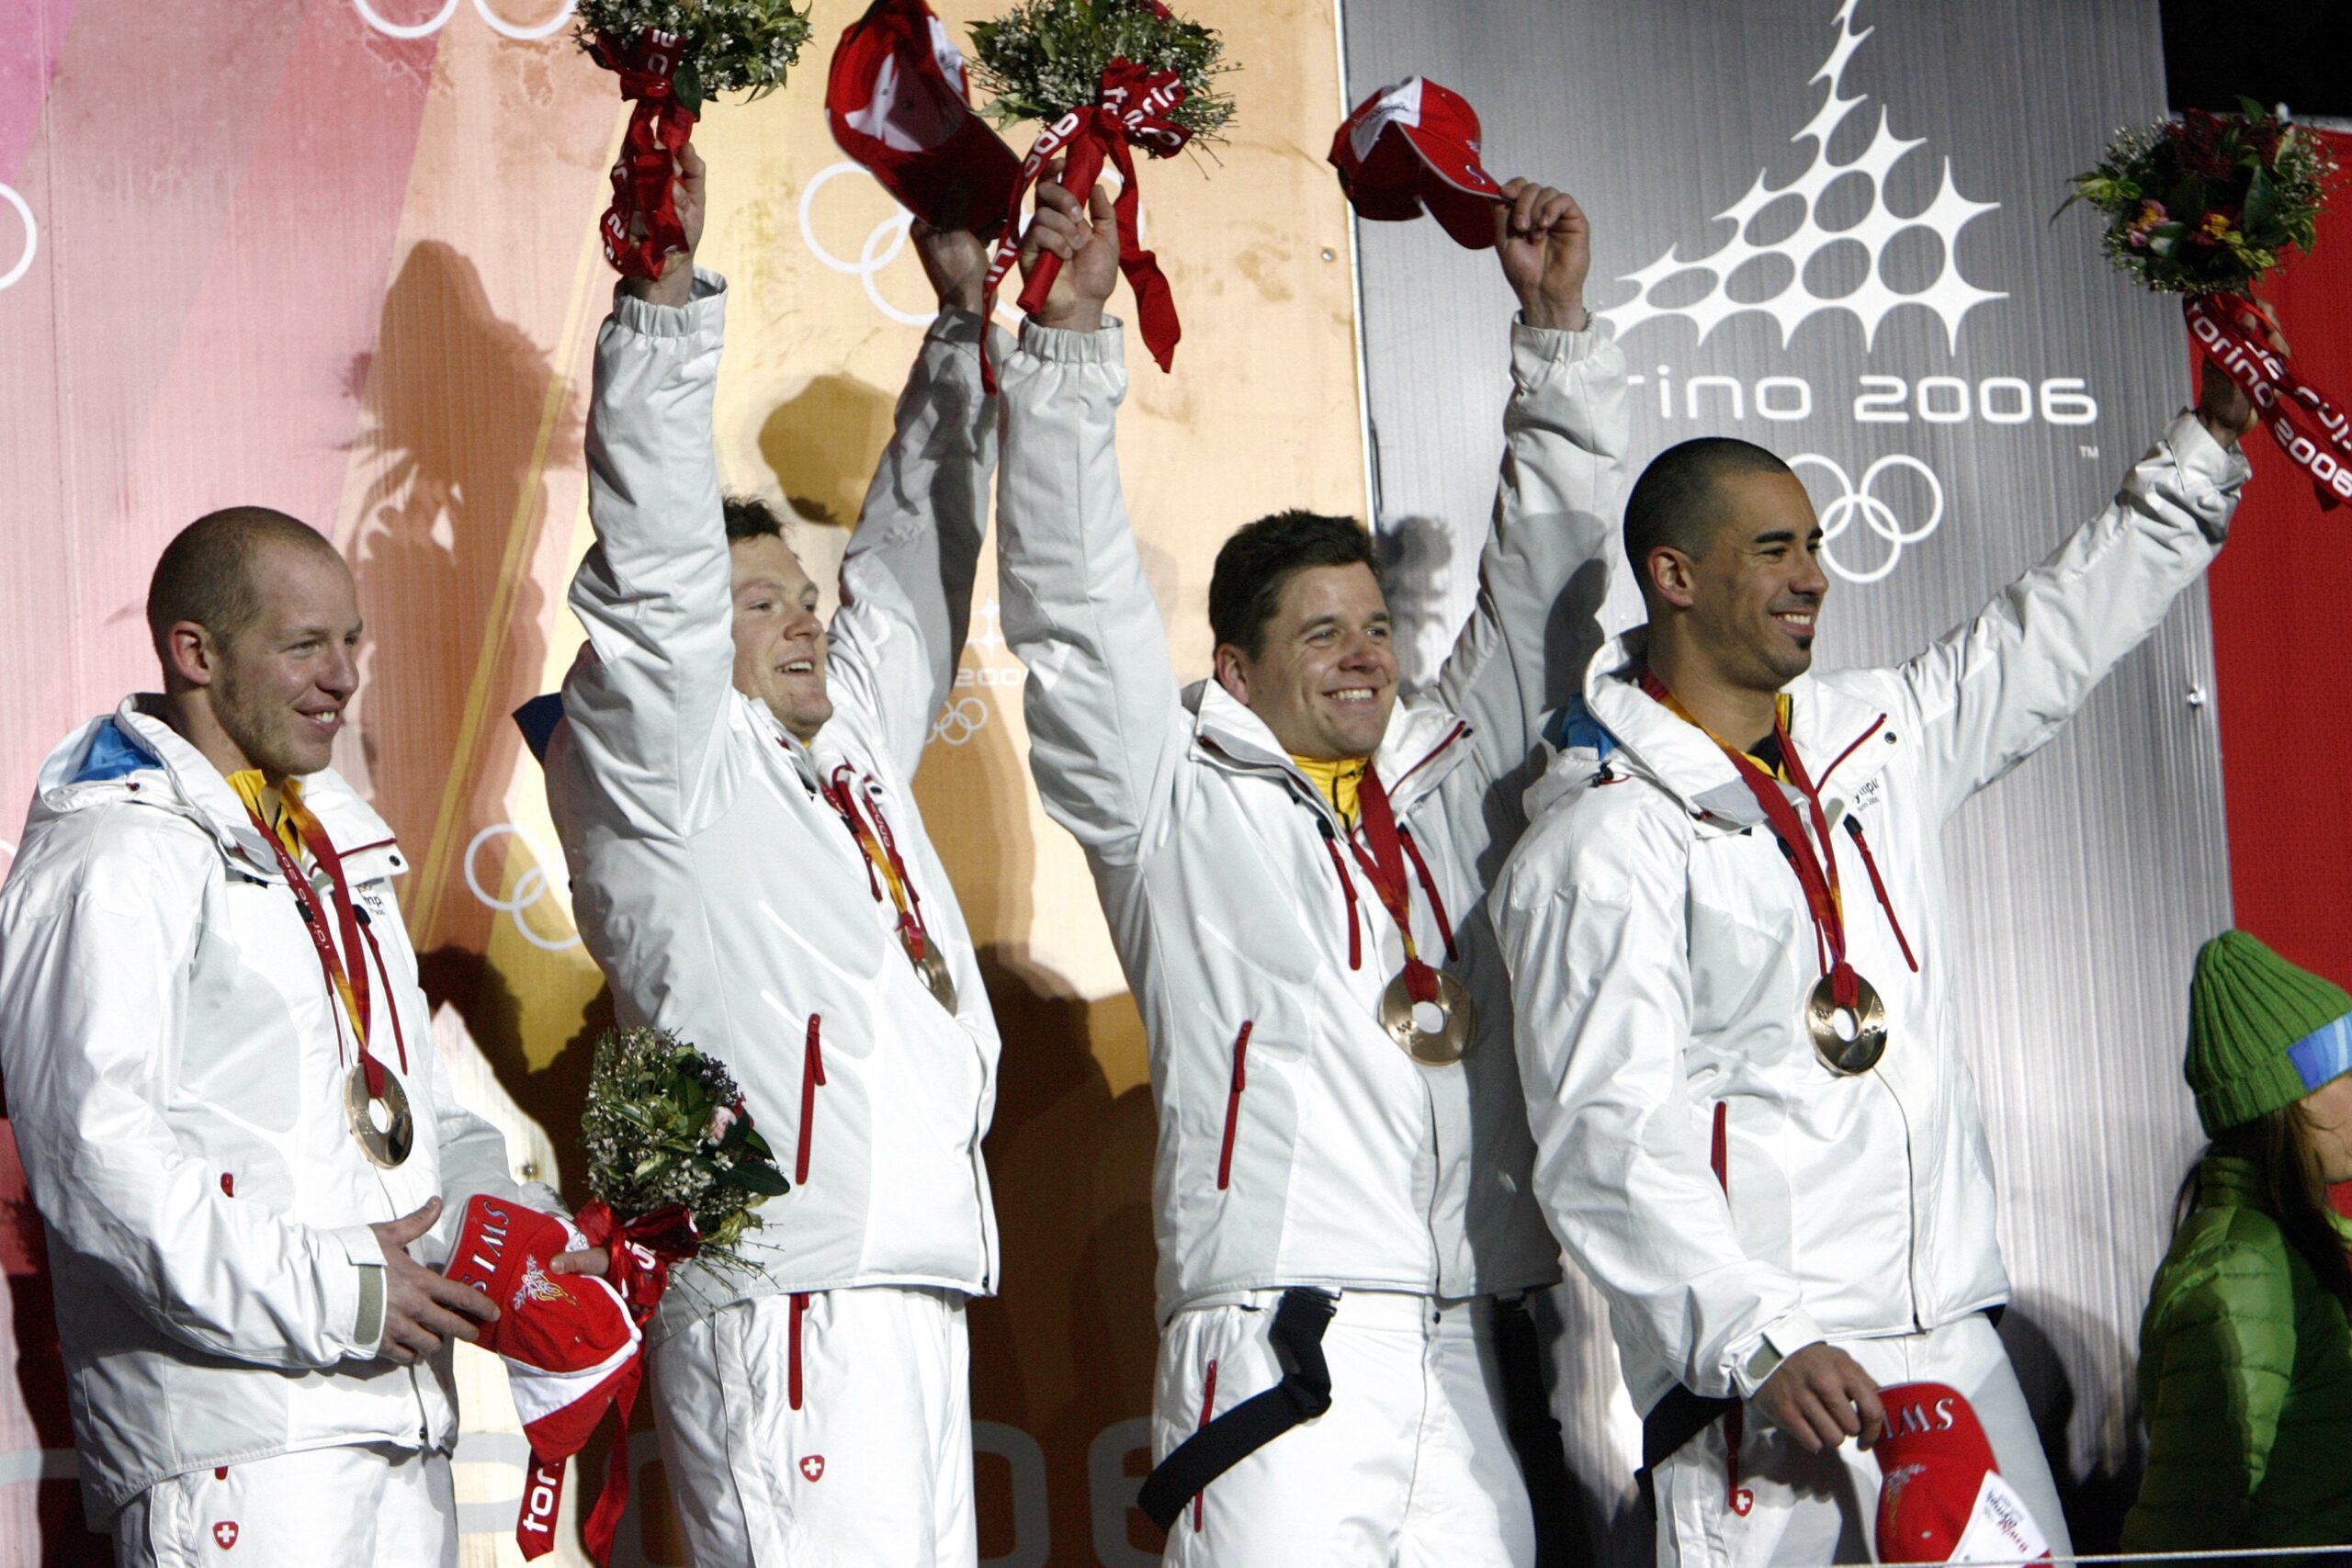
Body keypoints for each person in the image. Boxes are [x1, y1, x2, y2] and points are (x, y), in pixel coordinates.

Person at [1492, 333, 2267, 1565]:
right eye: (1773, 548)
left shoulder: (1874, 741)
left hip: (1953, 1341)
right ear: (1673, 574)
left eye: (1813, 543)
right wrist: (1752, 1338)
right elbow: (1607, 1133)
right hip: (1773, 1373)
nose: (1813, 574)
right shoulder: (1599, 842)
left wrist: (2205, 452)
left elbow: (2046, 636)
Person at [995, 172, 1628, 1565]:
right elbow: (1074, 603)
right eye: (1322, 631)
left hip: (1477, 1338)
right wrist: (1071, 342)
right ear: (1235, 665)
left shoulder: (1456, 772)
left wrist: (1559, 334)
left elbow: (1546, 583)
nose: (1366, 653)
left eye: (1376, 626)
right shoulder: (1169, 800)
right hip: (1280, 1337)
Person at [535, 142, 1007, 1566]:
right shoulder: (661, 767)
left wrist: (966, 326)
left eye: (806, 597)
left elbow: (917, 558)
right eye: (761, 603)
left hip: (910, 1268)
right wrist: (665, 321)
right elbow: (656, 573)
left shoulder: (846, 748)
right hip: (784, 1293)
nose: (806, 622)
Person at [0, 507, 573, 1565]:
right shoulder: (111, 857)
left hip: (398, 1421)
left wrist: (521, 1240)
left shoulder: (334, 847)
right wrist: (343, 1293)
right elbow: (94, 1158)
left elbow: (417, 1119)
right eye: (305, 644)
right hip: (240, 1448)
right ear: (196, 653)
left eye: (352, 639)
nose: (344, 676)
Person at [2122, 930, 2352, 1562]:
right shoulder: (2240, 1264)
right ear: (2295, 1094)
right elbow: (2188, 1510)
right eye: (2347, 1070)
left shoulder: (2313, 1246)